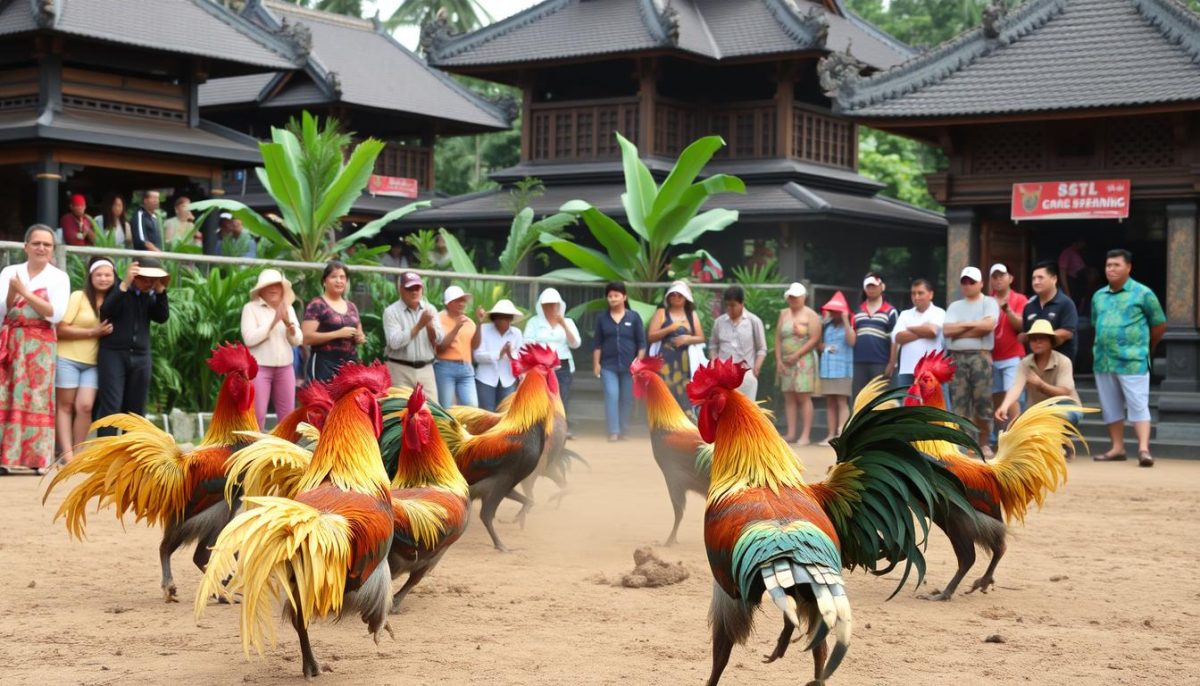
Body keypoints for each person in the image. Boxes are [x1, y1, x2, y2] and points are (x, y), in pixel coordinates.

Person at [0, 225, 71, 474]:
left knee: (38, 398)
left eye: (47, 245)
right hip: (11, 338)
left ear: (52, 250)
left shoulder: (59, 277)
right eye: (36, 243)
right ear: (26, 246)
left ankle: (38, 459)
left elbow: (56, 313)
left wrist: (24, 292)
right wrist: (13, 292)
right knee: (6, 396)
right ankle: (5, 458)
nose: (41, 248)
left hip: (40, 343)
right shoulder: (11, 271)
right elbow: (4, 309)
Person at [1090, 249, 1166, 467]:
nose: (1111, 269)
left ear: (1129, 267)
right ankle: (1117, 448)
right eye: (1108, 265)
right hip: (1104, 360)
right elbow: (1097, 324)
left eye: (1116, 265)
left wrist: (1146, 347)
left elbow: (1159, 324)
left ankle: (1143, 449)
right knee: (1110, 405)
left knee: (1138, 404)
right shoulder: (1099, 296)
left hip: (1133, 360)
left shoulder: (1143, 294)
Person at [94, 258, 170, 438]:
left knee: (136, 411)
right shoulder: (118, 289)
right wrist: (125, 284)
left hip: (141, 357)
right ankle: (105, 458)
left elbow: (162, 316)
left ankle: (131, 459)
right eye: (145, 279)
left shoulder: (149, 295)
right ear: (135, 276)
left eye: (153, 280)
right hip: (113, 354)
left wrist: (160, 291)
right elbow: (107, 310)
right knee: (111, 408)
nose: (149, 283)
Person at [55, 256, 115, 464]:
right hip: (68, 358)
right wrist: (93, 332)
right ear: (90, 277)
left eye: (108, 275)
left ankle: (77, 451)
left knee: (86, 406)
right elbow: (60, 328)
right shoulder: (79, 297)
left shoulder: (114, 300)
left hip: (95, 363)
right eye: (99, 274)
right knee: (65, 405)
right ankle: (67, 454)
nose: (103, 278)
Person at [943, 266, 1000, 457]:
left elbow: (988, 326)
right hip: (956, 357)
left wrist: (961, 327)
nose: (967, 285)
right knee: (959, 402)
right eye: (964, 282)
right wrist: (975, 325)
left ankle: (984, 443)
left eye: (972, 282)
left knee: (982, 400)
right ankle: (966, 443)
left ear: (981, 284)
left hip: (980, 356)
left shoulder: (989, 302)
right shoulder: (954, 306)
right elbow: (947, 331)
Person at [242, 269, 302, 430]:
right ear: (260, 289)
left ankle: (286, 452)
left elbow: (298, 340)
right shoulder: (250, 308)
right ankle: (252, 452)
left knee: (287, 416)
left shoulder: (288, 309)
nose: (273, 288)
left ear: (283, 288)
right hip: (259, 369)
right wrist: (273, 322)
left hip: (285, 368)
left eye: (277, 284)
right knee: (257, 415)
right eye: (269, 285)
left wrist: (292, 329)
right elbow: (249, 339)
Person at [995, 319, 1082, 428]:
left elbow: (1065, 392)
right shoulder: (1025, 363)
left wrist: (1041, 385)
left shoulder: (1063, 361)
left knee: (1056, 418)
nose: (1038, 342)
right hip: (1037, 411)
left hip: (1065, 407)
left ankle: (1061, 442)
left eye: (1042, 338)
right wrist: (1004, 406)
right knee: (1025, 427)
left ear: (1051, 341)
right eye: (1033, 339)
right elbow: (1016, 387)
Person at [593, 282, 645, 442]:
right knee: (611, 394)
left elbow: (642, 343)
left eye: (616, 295)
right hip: (608, 366)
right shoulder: (602, 318)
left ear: (624, 297)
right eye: (610, 296)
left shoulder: (634, 317)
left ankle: (624, 429)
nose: (613, 299)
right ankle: (613, 431)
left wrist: (638, 363)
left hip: (630, 366)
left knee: (627, 398)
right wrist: (596, 364)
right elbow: (597, 344)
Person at [524, 287, 581, 434]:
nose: (550, 307)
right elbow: (527, 342)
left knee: (562, 396)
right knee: (542, 395)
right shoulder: (534, 322)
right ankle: (542, 428)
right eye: (546, 304)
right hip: (541, 365)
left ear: (559, 305)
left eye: (553, 304)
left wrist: (563, 324)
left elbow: (575, 344)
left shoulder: (567, 321)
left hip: (563, 363)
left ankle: (560, 429)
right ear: (541, 305)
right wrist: (542, 354)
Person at [382, 271, 443, 401]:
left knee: (433, 414)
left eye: (417, 288)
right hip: (399, 370)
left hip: (426, 370)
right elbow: (394, 342)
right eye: (410, 288)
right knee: (399, 414)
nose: (414, 292)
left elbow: (439, 339)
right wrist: (419, 326)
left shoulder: (430, 309)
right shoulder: (391, 312)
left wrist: (429, 325)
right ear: (401, 290)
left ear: (422, 289)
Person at [646, 280, 705, 411]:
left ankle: (685, 429)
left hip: (685, 363)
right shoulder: (661, 313)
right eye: (673, 294)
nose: (676, 297)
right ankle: (664, 429)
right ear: (668, 296)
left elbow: (701, 338)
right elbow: (651, 336)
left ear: (686, 298)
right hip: (665, 362)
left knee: (684, 396)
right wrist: (670, 328)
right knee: (664, 396)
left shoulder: (692, 315)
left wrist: (687, 339)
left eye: (680, 295)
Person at [301, 261, 364, 383]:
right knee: (324, 402)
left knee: (348, 402)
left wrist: (360, 337)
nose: (339, 281)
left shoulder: (352, 306)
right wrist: (337, 334)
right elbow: (306, 338)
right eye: (333, 277)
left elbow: (359, 332)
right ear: (324, 281)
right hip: (323, 364)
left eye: (342, 277)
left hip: (349, 365)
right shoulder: (317, 305)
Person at [775, 282, 821, 444]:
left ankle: (805, 435)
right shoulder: (783, 313)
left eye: (796, 296)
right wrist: (779, 359)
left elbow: (815, 338)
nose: (793, 299)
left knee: (803, 396)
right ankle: (791, 432)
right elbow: (778, 338)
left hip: (803, 359)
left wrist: (797, 354)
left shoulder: (811, 314)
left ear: (803, 297)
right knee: (789, 397)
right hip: (786, 360)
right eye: (791, 296)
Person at [709, 285, 767, 401]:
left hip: (746, 374)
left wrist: (756, 368)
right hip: (723, 375)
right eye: (727, 305)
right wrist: (714, 362)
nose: (730, 309)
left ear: (742, 303)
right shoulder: (719, 322)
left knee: (746, 412)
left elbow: (762, 348)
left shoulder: (753, 321)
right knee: (724, 410)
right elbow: (713, 346)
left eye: (733, 305)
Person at [989, 264, 1029, 425]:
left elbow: (1021, 326)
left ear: (1010, 278)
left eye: (1002, 276)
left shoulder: (1020, 299)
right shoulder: (986, 300)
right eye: (995, 277)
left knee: (1012, 396)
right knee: (997, 397)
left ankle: (1017, 434)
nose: (998, 280)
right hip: (991, 356)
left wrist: (1008, 311)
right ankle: (1001, 436)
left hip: (1012, 355)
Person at [851, 272, 897, 399]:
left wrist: (892, 363)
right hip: (859, 362)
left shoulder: (890, 311)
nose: (871, 289)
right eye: (868, 286)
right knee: (859, 399)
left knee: (880, 400)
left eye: (874, 286)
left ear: (882, 287)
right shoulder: (857, 311)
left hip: (881, 362)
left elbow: (895, 339)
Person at [1021, 261, 1079, 361]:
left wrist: (1040, 336)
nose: (1036, 282)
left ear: (1054, 279)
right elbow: (1026, 334)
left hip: (1060, 364)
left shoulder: (1066, 303)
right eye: (1033, 278)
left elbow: (1067, 332)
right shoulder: (1028, 307)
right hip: (1035, 364)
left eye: (1040, 278)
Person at [893, 278, 945, 387]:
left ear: (930, 294)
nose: (916, 297)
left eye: (920, 293)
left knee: (931, 404)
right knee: (908, 404)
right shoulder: (905, 314)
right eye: (913, 293)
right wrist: (923, 329)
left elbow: (932, 332)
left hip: (931, 371)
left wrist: (909, 328)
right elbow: (898, 337)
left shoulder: (939, 312)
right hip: (907, 370)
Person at [817, 290, 854, 446]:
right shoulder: (826, 325)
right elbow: (818, 345)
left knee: (841, 401)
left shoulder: (849, 324)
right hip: (827, 369)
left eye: (837, 311)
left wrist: (846, 320)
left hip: (843, 369)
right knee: (830, 402)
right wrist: (825, 347)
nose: (834, 314)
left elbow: (852, 341)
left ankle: (842, 434)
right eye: (832, 311)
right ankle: (831, 435)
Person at [474, 299, 524, 411]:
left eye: (507, 317)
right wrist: (499, 354)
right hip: (485, 379)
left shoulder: (517, 333)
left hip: (508, 380)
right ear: (494, 318)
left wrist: (511, 354)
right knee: (486, 414)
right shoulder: (483, 329)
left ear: (511, 319)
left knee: (504, 414)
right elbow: (477, 356)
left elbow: (521, 357)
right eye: (500, 317)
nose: (504, 320)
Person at [434, 285, 479, 407]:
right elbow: (440, 348)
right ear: (448, 303)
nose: (462, 304)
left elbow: (475, 346)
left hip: (466, 368)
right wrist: (457, 327)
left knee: (472, 408)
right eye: (458, 300)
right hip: (445, 367)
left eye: (463, 300)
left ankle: (464, 427)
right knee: (446, 408)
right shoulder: (438, 318)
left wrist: (479, 323)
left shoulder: (469, 322)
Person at [1058, 239, 1087, 308]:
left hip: (1078, 286)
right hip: (1071, 284)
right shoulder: (1067, 253)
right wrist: (1067, 291)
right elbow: (1062, 272)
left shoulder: (1078, 254)